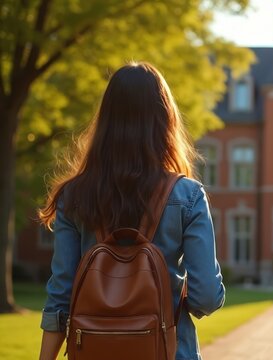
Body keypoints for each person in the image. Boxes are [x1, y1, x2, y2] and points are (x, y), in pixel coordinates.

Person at [37, 62, 225, 360]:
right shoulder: (187, 195)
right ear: (165, 121)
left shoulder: (73, 196)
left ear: (106, 120)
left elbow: (60, 297)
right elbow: (207, 298)